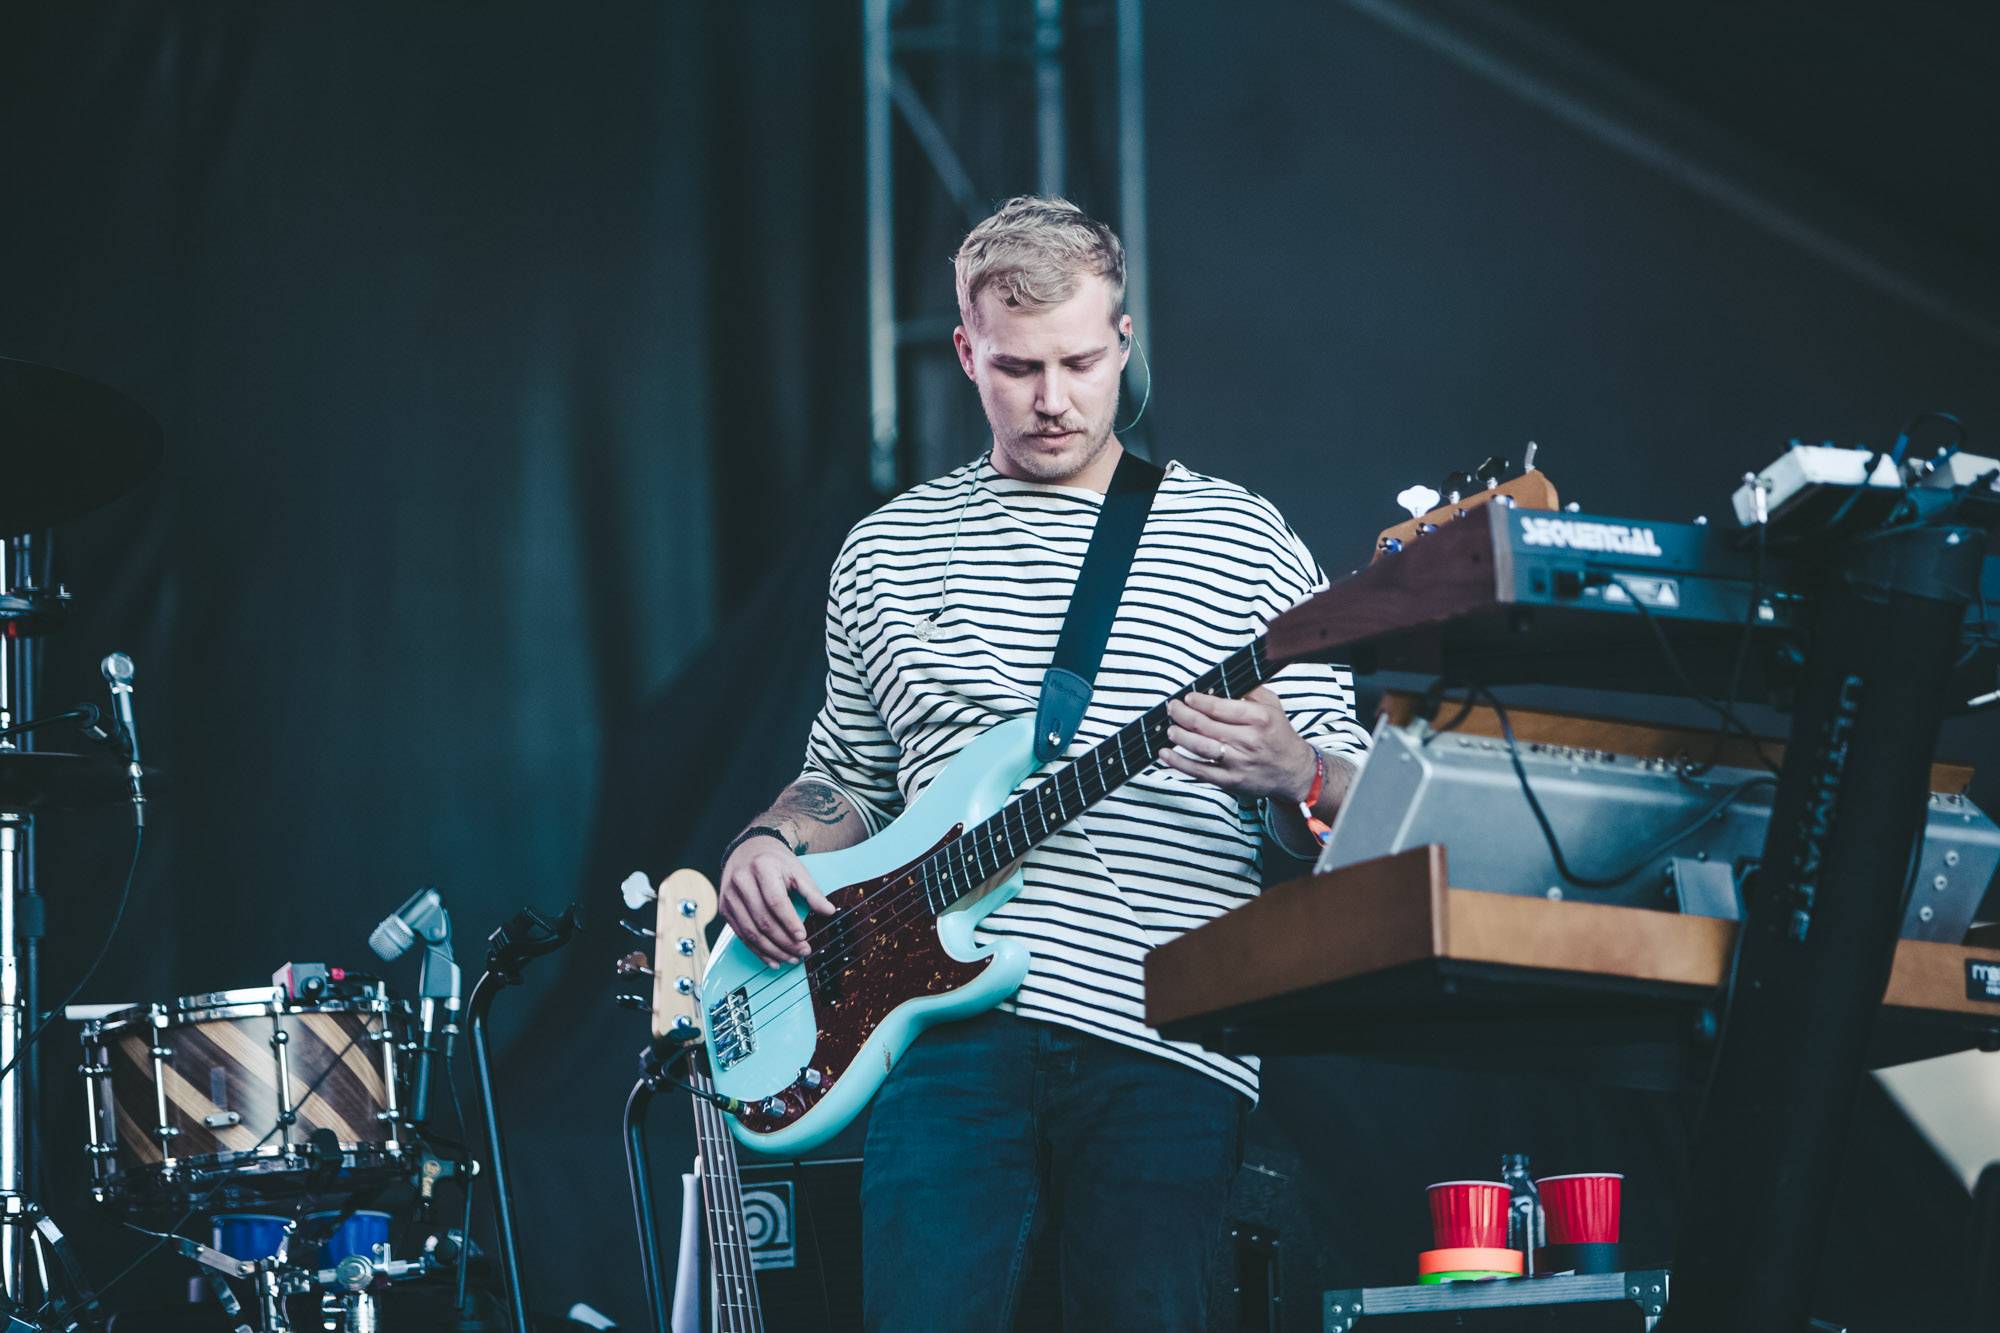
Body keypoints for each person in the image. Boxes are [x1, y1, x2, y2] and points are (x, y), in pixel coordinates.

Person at [717, 195, 1368, 1331]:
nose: (1052, 399)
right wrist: (769, 842)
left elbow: (1363, 804)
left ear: (1124, 341)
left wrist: (1295, 769)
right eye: (1018, 367)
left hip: (1167, 1041)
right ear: (966, 353)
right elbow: (845, 781)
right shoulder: (885, 551)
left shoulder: (1237, 537)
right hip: (936, 1046)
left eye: (1079, 361)